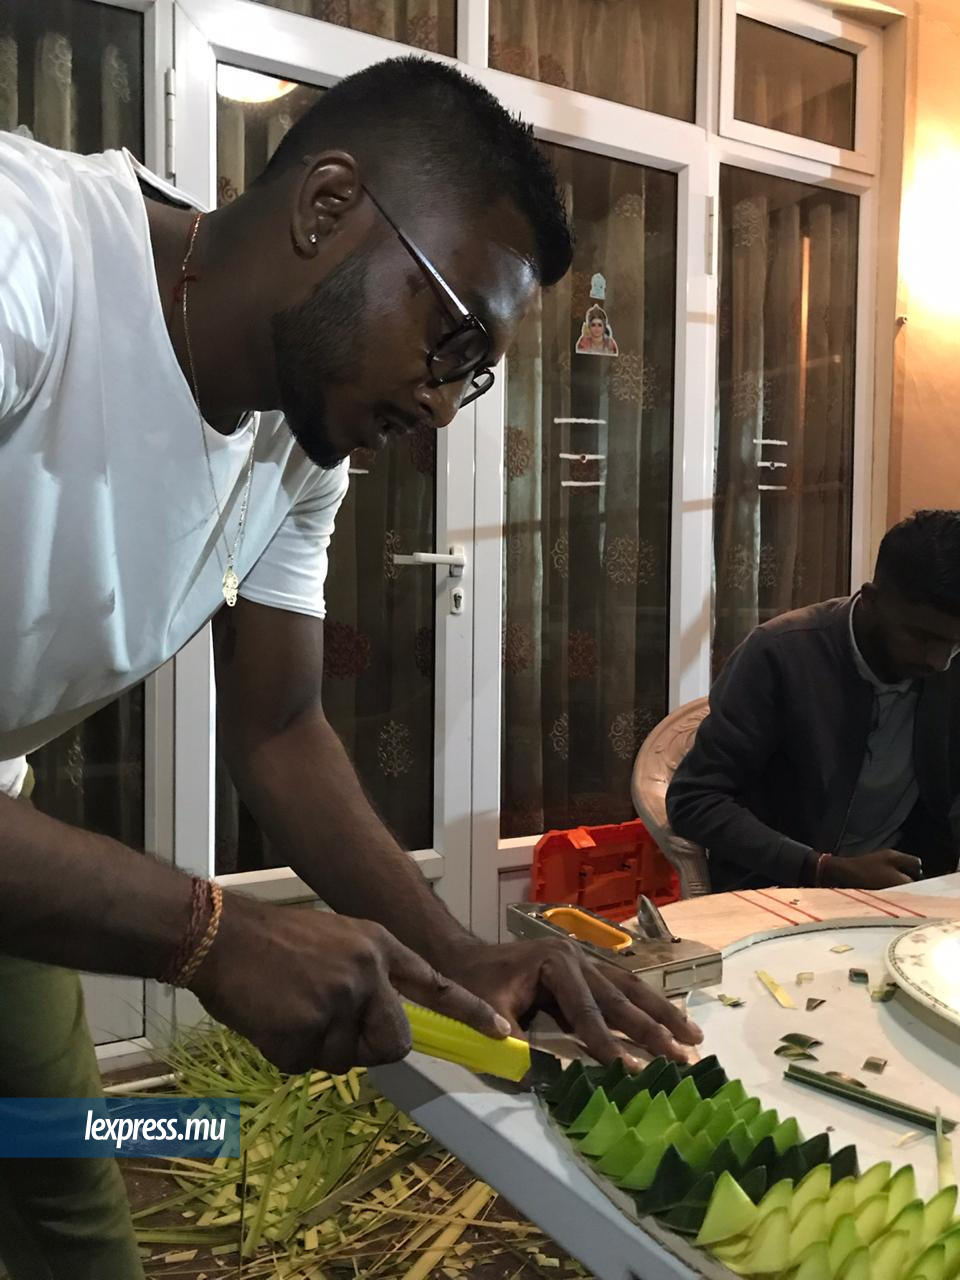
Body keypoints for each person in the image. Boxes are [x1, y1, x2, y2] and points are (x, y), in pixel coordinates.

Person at [0, 57, 701, 1277]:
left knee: (67, 1182)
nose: (445, 407)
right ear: (328, 206)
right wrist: (210, 934)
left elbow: (278, 725)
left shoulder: (300, 435)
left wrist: (458, 949)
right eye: (449, 337)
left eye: (475, 370)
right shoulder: (30, 256)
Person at [667, 511, 960, 894]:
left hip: (912, 899)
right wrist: (821, 869)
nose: (940, 661)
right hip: (780, 894)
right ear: (871, 600)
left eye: (955, 644)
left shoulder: (950, 660)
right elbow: (694, 799)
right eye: (921, 637)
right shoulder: (780, 654)